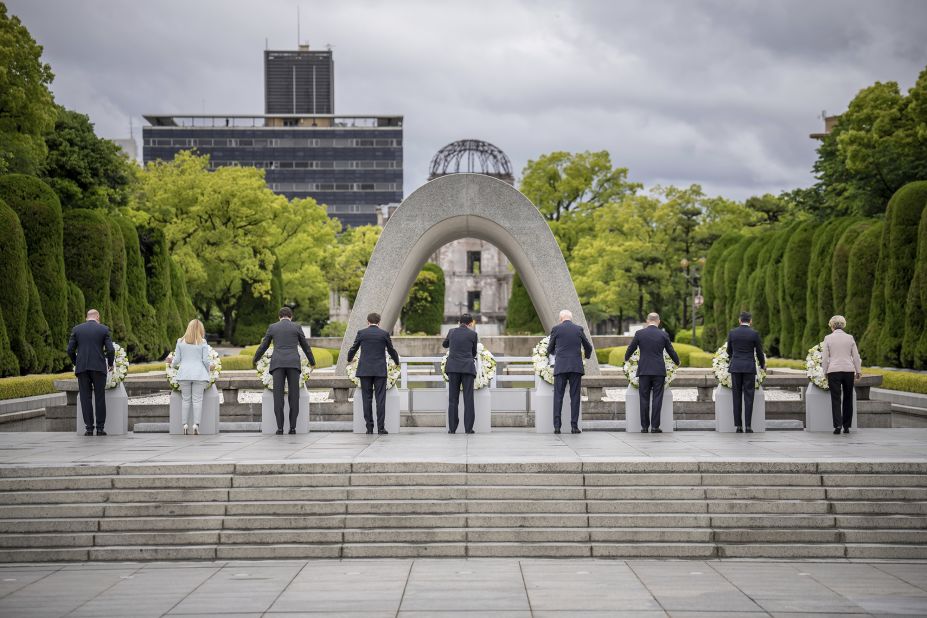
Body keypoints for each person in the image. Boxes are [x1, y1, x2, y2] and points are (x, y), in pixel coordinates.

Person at [253, 307, 316, 434]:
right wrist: (312, 362)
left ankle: (280, 428)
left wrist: (255, 359)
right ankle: (292, 428)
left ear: (279, 317)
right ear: (291, 316)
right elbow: (305, 346)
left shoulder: (273, 327)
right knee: (294, 396)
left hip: (278, 364)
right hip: (293, 363)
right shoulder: (297, 327)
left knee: (278, 396)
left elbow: (264, 345)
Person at [625, 313, 680, 433]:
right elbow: (671, 350)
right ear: (658, 321)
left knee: (643, 398)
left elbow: (631, 348)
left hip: (644, 370)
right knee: (657, 398)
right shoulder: (663, 334)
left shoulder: (640, 333)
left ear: (647, 321)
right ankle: (655, 426)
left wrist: (626, 358)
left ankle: (644, 427)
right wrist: (677, 362)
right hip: (658, 371)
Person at [346, 312, 401, 434]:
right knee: (380, 399)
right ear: (379, 322)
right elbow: (391, 350)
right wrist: (397, 362)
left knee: (367, 399)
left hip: (365, 370)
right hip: (380, 370)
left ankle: (369, 428)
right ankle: (381, 428)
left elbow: (353, 348)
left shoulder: (362, 333)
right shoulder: (384, 334)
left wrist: (349, 359)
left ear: (368, 321)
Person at [67, 309, 115, 436]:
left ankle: (89, 428)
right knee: (100, 397)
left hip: (82, 368)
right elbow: (110, 350)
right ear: (97, 317)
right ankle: (100, 428)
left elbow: (69, 350)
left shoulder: (76, 329)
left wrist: (76, 362)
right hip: (99, 367)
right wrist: (110, 364)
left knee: (85, 398)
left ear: (86, 317)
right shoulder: (103, 329)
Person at [548, 309, 593, 434]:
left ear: (561, 318)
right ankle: (574, 426)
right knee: (575, 397)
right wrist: (586, 356)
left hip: (561, 367)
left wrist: (556, 354)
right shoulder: (578, 329)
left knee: (558, 397)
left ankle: (557, 427)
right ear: (570, 318)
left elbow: (550, 348)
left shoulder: (556, 329)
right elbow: (588, 346)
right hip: (575, 367)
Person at [168, 319, 214, 435]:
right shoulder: (202, 342)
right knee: (197, 400)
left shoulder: (180, 341)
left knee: (186, 400)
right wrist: (210, 368)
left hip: (184, 374)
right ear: (200, 329)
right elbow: (205, 360)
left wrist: (170, 364)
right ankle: (196, 425)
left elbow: (177, 360)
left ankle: (184, 425)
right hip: (199, 374)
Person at [726, 311, 766, 433]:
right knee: (749, 397)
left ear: (739, 320)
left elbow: (729, 351)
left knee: (736, 396)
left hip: (736, 367)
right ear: (750, 321)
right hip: (749, 367)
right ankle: (748, 426)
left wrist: (736, 357)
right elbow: (759, 352)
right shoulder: (754, 334)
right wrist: (763, 364)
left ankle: (738, 426)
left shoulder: (732, 333)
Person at [822, 315, 862, 435]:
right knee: (848, 397)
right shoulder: (850, 338)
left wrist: (825, 371)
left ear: (832, 325)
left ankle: (837, 425)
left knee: (835, 398)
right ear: (843, 325)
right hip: (848, 370)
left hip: (834, 371)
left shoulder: (828, 338)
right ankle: (847, 426)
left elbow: (825, 358)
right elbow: (856, 356)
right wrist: (858, 371)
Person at [442, 313, 479, 434]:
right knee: (469, 399)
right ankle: (468, 428)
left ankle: (452, 428)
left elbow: (444, 345)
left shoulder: (451, 332)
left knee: (453, 399)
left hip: (453, 368)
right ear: (470, 323)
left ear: (459, 322)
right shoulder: (473, 334)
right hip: (467, 368)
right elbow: (474, 352)